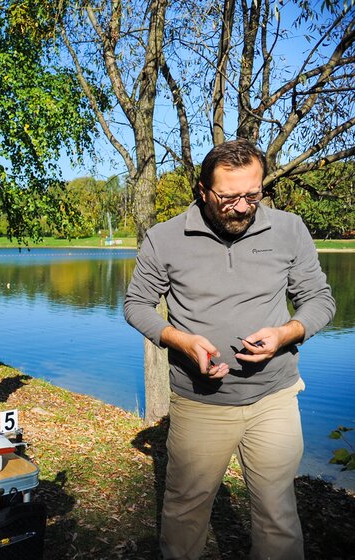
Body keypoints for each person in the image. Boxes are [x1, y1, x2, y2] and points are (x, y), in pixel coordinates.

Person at [123, 139, 335, 560]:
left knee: (278, 515)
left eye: (252, 195)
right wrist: (181, 341)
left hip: (275, 397)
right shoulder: (165, 238)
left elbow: (320, 300)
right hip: (201, 403)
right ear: (202, 191)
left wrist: (287, 332)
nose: (241, 207)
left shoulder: (289, 229)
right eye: (228, 197)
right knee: (185, 516)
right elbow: (136, 305)